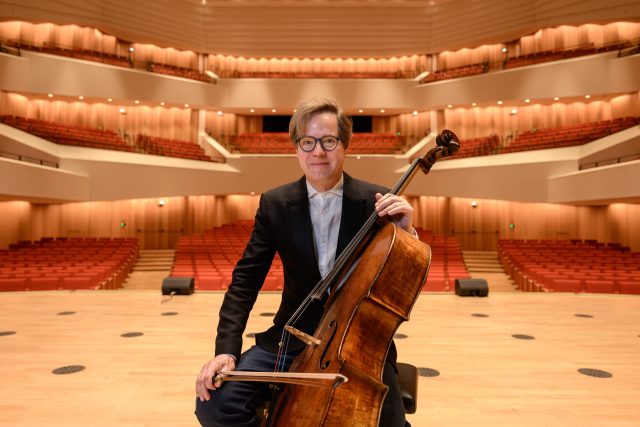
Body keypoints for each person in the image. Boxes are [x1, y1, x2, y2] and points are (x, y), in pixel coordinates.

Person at [195, 98, 415, 427]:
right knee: (216, 405)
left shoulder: (378, 202)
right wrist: (226, 349)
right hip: (292, 336)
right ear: (296, 148)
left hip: (360, 341)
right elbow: (245, 281)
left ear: (344, 145)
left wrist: (407, 231)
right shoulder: (276, 204)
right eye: (308, 142)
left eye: (329, 141)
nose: (318, 152)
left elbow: (403, 280)